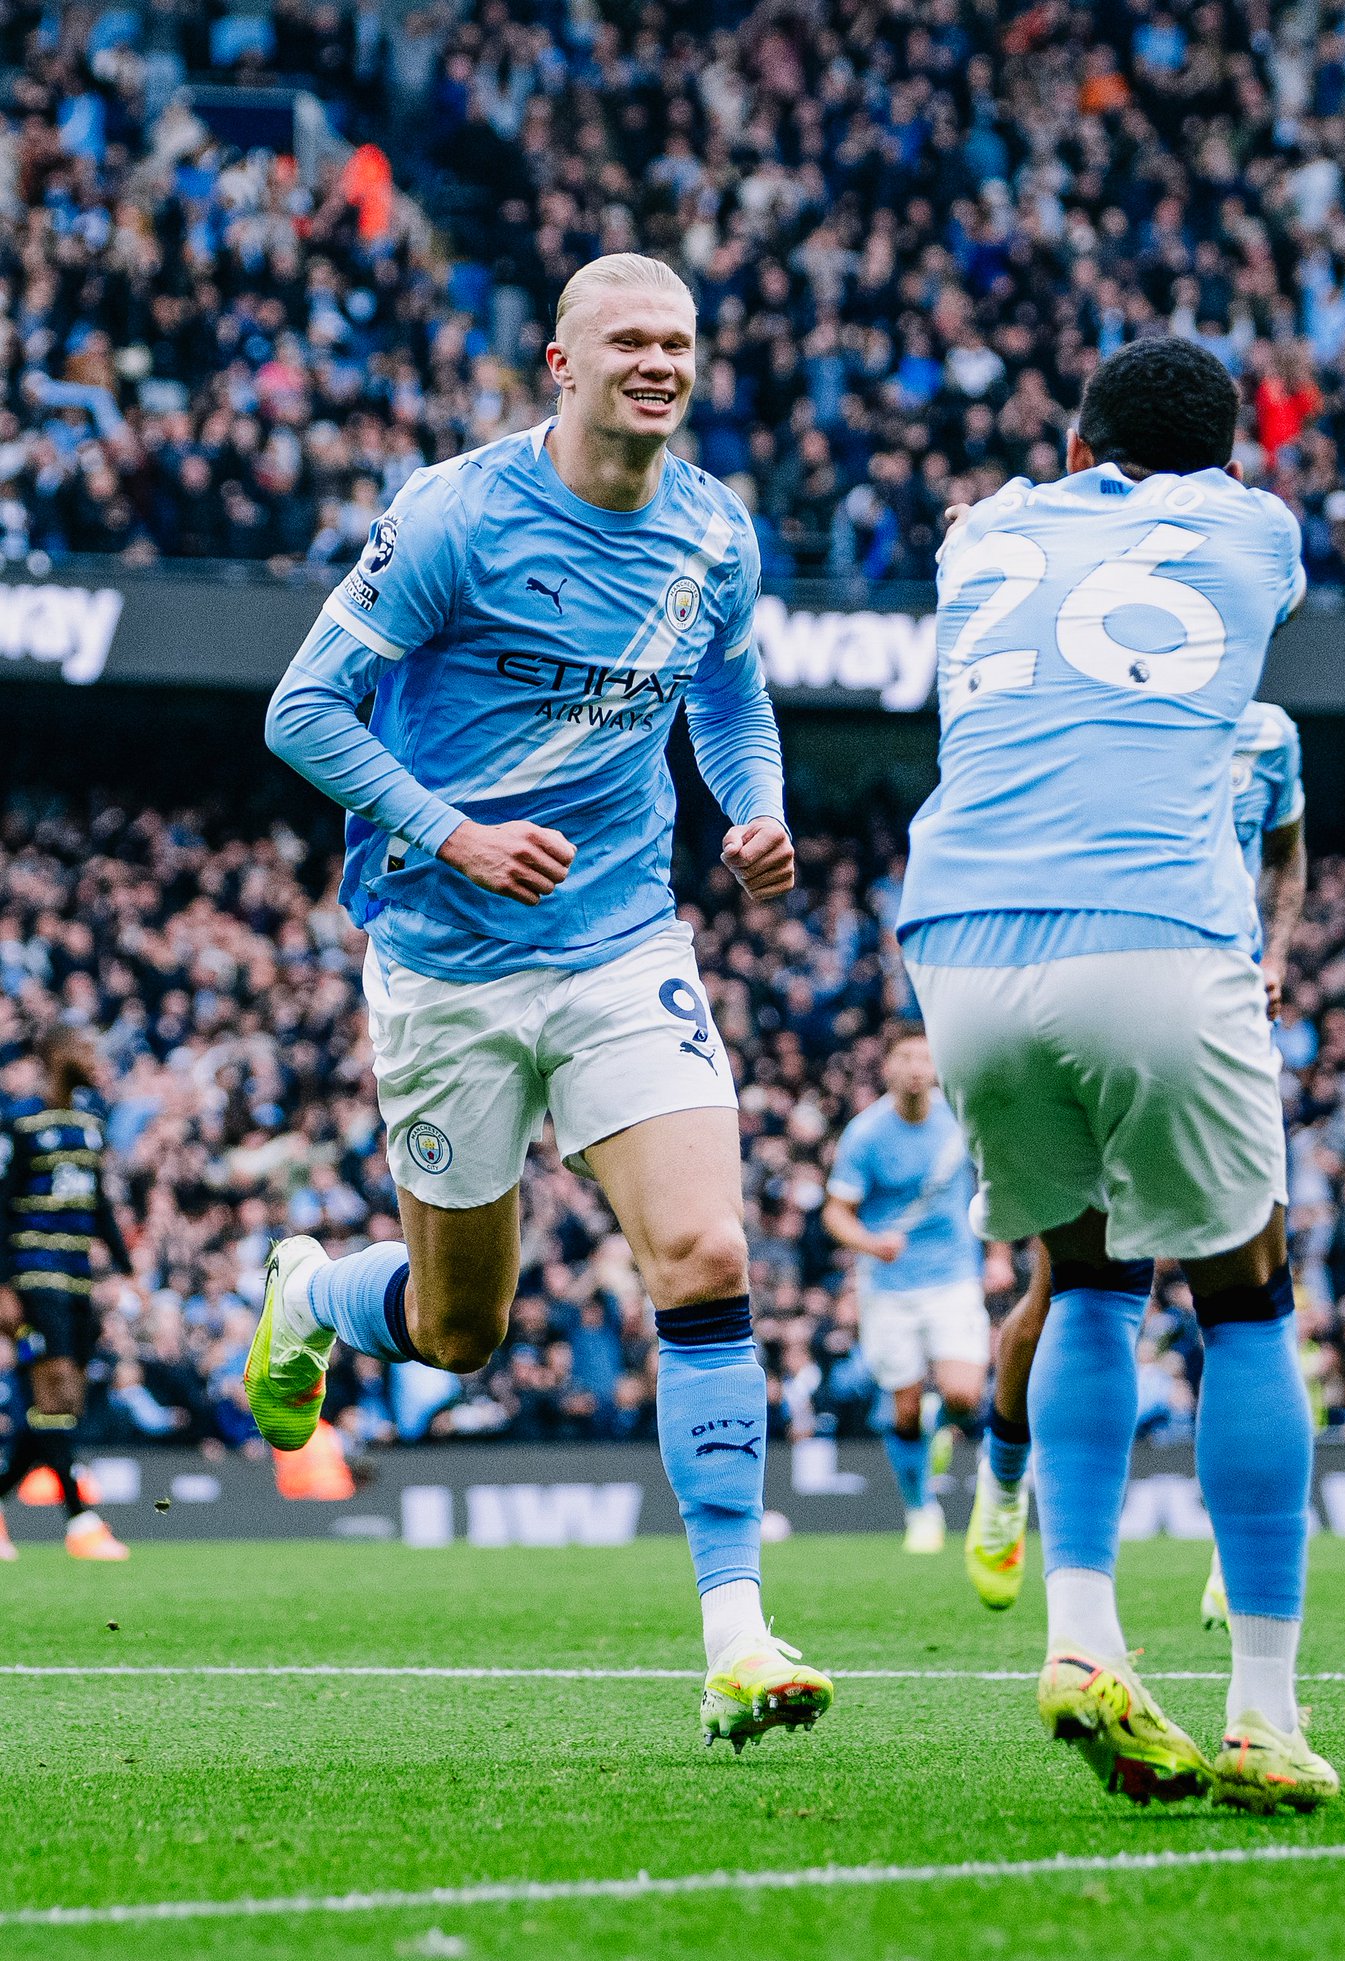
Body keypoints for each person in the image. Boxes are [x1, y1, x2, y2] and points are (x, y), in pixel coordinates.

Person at [257, 252, 833, 1751]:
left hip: (620, 942)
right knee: (461, 1330)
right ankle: (314, 1296)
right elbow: (301, 710)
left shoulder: (715, 532)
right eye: (627, 340)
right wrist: (452, 831)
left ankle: (734, 1632)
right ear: (561, 364)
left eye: (678, 342)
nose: (659, 363)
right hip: (445, 957)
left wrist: (753, 808)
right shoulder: (455, 516)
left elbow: (729, 694)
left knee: (706, 1251)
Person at [897, 335, 1336, 1814]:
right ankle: (1262, 1713)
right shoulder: (1255, 526)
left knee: (1084, 1280)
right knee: (1245, 1297)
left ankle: (1081, 1637)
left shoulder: (979, 534)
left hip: (956, 940)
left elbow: (1014, 529)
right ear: (1229, 459)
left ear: (1076, 448)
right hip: (1150, 920)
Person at [965, 703, 1310, 1624]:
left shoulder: (1268, 734)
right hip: (1102, 1000)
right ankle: (1004, 1476)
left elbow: (1284, 853)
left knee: (1250, 1280)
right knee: (1075, 1284)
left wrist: (1275, 952)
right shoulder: (1101, 707)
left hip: (1220, 1019)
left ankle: (1236, 1545)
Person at [822, 1023, 1004, 1556]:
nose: (915, 1068)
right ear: (888, 1067)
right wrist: (870, 1243)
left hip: (953, 1276)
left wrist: (997, 1255)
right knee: (902, 1410)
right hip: (889, 1285)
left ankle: (938, 1425)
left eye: (925, 1058)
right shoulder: (866, 1134)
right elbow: (836, 1212)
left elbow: (994, 1183)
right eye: (904, 1058)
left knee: (964, 1395)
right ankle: (920, 1509)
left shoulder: (960, 1118)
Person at [0, 1026, 133, 1561]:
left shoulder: (90, 1126)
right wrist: (3, 1286)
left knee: (61, 1405)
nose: (95, 1059)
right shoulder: (20, 1123)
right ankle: (82, 1521)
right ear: (57, 1057)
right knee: (54, 1393)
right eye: (85, 1049)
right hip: (34, 1277)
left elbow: (100, 1207)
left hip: (79, 1280)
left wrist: (126, 1268)